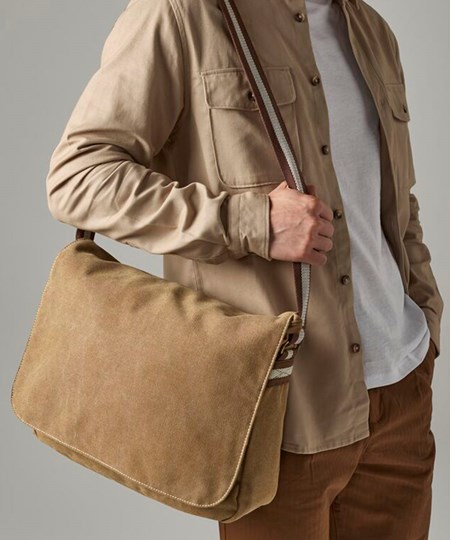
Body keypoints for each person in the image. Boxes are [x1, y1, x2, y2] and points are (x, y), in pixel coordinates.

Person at [45, 0, 444, 538]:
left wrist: (426, 318)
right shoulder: (182, 15)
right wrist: (251, 222)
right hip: (279, 414)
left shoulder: (371, 30)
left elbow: (396, 204)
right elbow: (78, 178)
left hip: (403, 396)